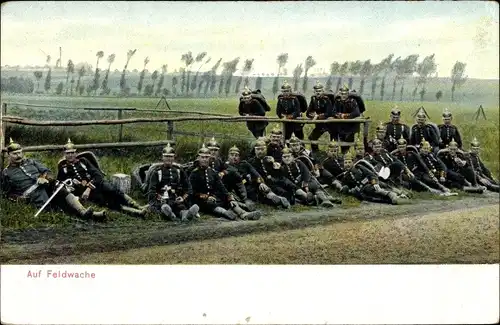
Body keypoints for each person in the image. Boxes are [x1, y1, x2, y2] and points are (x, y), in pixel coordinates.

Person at [1, 138, 106, 221]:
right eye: (15, 154)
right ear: (8, 155)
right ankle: (90, 215)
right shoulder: (6, 173)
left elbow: (48, 171)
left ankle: (83, 211)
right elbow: (7, 193)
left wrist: (43, 177)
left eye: (20, 152)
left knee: (60, 189)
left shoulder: (31, 162)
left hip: (46, 186)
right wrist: (20, 199)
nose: (18, 155)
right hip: (33, 195)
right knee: (58, 206)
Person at [57, 139, 147, 218]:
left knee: (112, 190)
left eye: (72, 153)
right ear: (64, 154)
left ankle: (137, 205)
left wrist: (89, 188)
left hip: (97, 183)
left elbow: (98, 174)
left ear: (76, 153)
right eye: (68, 153)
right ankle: (136, 212)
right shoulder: (63, 168)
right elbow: (62, 184)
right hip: (85, 192)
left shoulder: (83, 161)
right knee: (107, 202)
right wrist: (74, 189)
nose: (70, 155)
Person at [189, 144, 262, 220]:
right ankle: (226, 214)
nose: (205, 159)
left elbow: (221, 187)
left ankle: (243, 214)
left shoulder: (212, 172)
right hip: (200, 201)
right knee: (211, 204)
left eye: (207, 157)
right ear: (198, 158)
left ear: (210, 158)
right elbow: (191, 192)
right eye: (202, 157)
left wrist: (229, 198)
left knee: (226, 199)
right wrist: (206, 197)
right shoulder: (194, 173)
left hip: (213, 198)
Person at [146, 143, 200, 221]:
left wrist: (183, 198)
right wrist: (159, 198)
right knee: (164, 207)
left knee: (181, 208)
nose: (168, 159)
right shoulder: (156, 172)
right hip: (162, 201)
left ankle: (186, 215)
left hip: (176, 200)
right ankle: (171, 215)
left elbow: (189, 188)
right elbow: (151, 191)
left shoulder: (179, 171)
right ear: (162, 158)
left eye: (170, 156)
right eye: (166, 156)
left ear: (174, 157)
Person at [225, 145, 290, 209]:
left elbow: (256, 174)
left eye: (236, 155)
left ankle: (274, 197)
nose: (234, 157)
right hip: (238, 189)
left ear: (239, 157)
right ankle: (277, 200)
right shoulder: (225, 166)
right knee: (257, 197)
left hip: (250, 185)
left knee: (261, 187)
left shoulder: (244, 163)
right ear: (228, 156)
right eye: (232, 155)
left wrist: (261, 182)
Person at [337, 149, 408, 205]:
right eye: (345, 163)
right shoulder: (344, 177)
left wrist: (374, 183)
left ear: (353, 162)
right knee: (372, 192)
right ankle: (393, 197)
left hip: (372, 182)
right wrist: (351, 191)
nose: (347, 164)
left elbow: (371, 175)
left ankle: (400, 193)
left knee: (380, 185)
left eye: (349, 162)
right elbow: (348, 190)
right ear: (343, 164)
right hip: (364, 191)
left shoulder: (359, 167)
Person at [247, 138, 297, 204]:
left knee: (285, 191)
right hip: (259, 184)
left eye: (262, 149)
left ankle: (287, 199)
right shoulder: (251, 162)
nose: (260, 151)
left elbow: (277, 174)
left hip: (272, 183)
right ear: (255, 150)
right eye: (258, 149)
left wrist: (278, 168)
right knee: (265, 194)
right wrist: (259, 182)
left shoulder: (269, 160)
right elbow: (251, 176)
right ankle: (278, 200)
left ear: (266, 149)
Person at [306, 81, 335, 154]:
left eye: (319, 91)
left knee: (334, 140)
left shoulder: (326, 99)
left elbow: (329, 113)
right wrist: (312, 115)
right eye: (316, 91)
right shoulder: (313, 99)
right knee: (312, 138)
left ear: (323, 91)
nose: (318, 93)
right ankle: (316, 153)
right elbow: (308, 112)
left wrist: (318, 116)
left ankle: (334, 154)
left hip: (329, 124)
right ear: (314, 92)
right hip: (319, 124)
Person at [332, 84, 361, 153]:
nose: (343, 95)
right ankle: (343, 157)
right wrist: (339, 115)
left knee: (349, 144)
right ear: (340, 94)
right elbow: (333, 112)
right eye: (342, 94)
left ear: (348, 94)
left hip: (350, 127)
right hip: (341, 127)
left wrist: (345, 116)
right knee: (342, 144)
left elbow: (357, 113)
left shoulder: (352, 101)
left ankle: (349, 157)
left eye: (345, 94)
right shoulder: (338, 101)